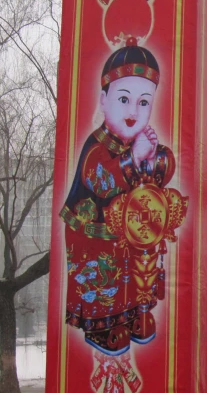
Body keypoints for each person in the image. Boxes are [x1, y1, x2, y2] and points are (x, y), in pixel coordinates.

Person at [61, 38, 176, 355]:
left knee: (138, 273)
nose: (133, 111)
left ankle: (136, 316)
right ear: (103, 99)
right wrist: (135, 159)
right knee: (106, 282)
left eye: (143, 103)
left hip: (128, 235)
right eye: (123, 99)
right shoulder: (95, 146)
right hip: (94, 236)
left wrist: (153, 157)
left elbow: (161, 171)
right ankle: (104, 327)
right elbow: (102, 182)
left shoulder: (137, 143)